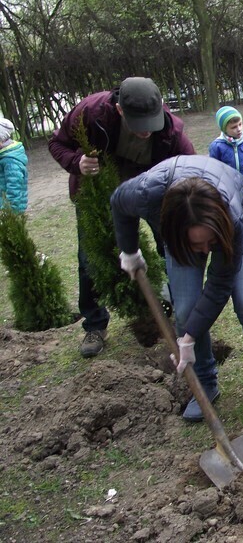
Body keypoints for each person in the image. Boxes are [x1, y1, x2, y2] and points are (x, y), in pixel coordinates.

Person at [111, 155, 243, 421]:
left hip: (237, 219)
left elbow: (219, 284)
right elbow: (118, 201)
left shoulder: (233, 217)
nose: (206, 251)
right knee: (185, 309)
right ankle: (205, 385)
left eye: (209, 243)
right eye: (199, 246)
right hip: (182, 226)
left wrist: (189, 337)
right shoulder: (145, 192)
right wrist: (129, 250)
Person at [48, 77, 195, 358]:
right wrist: (75, 162)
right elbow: (58, 144)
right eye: (140, 125)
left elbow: (191, 167)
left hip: (149, 192)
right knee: (89, 259)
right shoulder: (91, 113)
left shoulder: (171, 131)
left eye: (150, 123)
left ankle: (182, 309)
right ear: (119, 110)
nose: (146, 132)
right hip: (99, 194)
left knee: (172, 246)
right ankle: (95, 324)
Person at [0, 118, 28, 214]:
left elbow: (14, 188)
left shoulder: (10, 160)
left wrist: (10, 212)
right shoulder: (3, 155)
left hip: (8, 210)